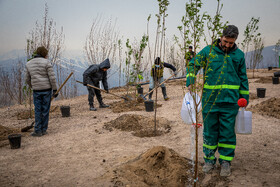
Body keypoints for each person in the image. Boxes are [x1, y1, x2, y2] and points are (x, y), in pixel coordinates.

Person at [186, 25, 249, 177]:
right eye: (226, 41)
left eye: (231, 43)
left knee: (227, 133)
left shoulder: (239, 55)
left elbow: (243, 77)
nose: (227, 45)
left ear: (235, 41)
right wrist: (191, 78)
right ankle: (209, 160)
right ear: (221, 37)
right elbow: (193, 64)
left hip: (230, 102)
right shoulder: (208, 52)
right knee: (209, 132)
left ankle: (226, 162)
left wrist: (244, 97)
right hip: (210, 101)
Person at [25, 46, 58, 137]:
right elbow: (52, 78)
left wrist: (34, 86)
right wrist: (55, 89)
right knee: (45, 110)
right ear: (44, 54)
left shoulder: (29, 63)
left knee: (37, 110)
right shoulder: (47, 63)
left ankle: (37, 130)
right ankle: (43, 130)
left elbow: (27, 79)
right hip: (47, 90)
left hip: (36, 90)